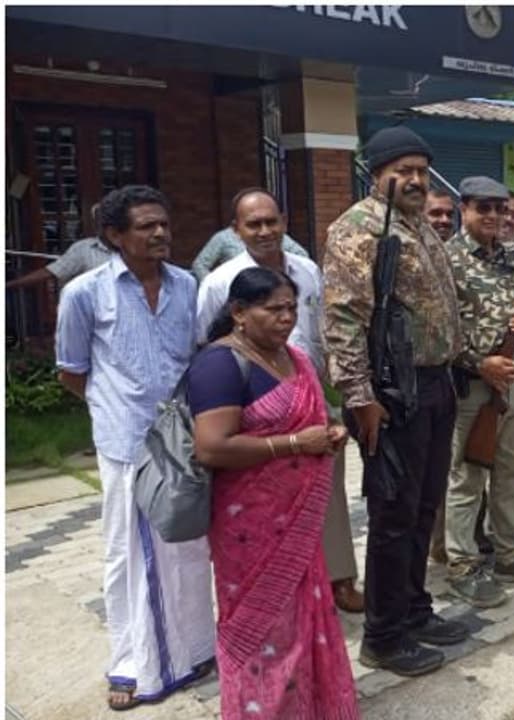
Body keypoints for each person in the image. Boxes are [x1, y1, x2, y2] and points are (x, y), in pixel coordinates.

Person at [54, 185, 215, 712]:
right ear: (115, 235)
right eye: (146, 226)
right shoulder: (84, 293)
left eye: (163, 223)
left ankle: (196, 649)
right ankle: (131, 663)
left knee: (187, 544)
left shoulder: (186, 285)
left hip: (181, 442)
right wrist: (114, 407)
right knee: (129, 554)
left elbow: (195, 356)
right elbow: (72, 372)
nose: (160, 233)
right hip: (125, 443)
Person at [324, 125, 469, 677]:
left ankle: (413, 608)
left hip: (435, 384)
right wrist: (360, 396)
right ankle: (383, 637)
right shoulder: (357, 229)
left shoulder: (419, 225)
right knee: (393, 516)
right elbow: (343, 318)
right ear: (376, 174)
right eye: (401, 171)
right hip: (390, 395)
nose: (413, 180)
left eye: (421, 171)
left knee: (423, 507)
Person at [188, 267, 359, 720]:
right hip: (250, 526)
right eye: (273, 309)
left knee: (303, 620)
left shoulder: (295, 358)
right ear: (239, 312)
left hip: (298, 518)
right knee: (264, 627)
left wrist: (331, 431)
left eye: (291, 308)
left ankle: (311, 707)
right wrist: (295, 444)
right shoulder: (219, 365)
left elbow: (311, 419)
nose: (286, 318)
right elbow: (211, 446)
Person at [195, 187, 364, 614]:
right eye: (253, 224)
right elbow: (206, 342)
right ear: (236, 230)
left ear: (284, 222)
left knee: (326, 492)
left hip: (307, 388)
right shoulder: (220, 282)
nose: (265, 231)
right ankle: (279, 589)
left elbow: (322, 331)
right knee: (268, 502)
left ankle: (338, 579)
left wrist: (331, 392)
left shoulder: (306, 270)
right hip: (254, 405)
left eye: (272, 221)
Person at [444, 176, 514, 608]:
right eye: (483, 208)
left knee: (511, 471)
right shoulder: (447, 260)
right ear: (464, 210)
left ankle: (510, 554)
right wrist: (480, 364)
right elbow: (438, 330)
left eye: (500, 209)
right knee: (467, 476)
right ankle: (462, 564)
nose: (493, 217)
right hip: (471, 385)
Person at [7, 203, 112, 290]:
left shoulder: (122, 249)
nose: (105, 225)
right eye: (100, 221)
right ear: (95, 225)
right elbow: (51, 272)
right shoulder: (83, 249)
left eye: (109, 221)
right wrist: (9, 285)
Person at [191, 222, 309, 283]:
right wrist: (216, 284)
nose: (262, 229)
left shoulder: (270, 235)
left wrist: (285, 279)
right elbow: (200, 264)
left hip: (271, 289)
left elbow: (301, 255)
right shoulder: (223, 238)